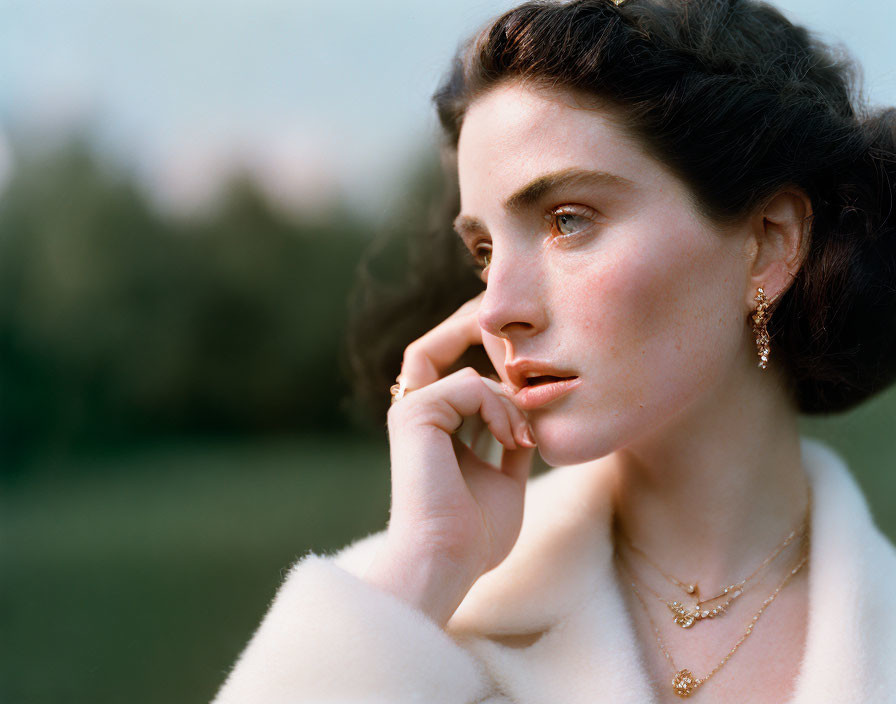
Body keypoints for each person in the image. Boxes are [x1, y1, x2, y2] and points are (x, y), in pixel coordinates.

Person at [212, 0, 896, 701]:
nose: (498, 310)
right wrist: (425, 570)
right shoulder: (403, 621)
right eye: (483, 251)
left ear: (771, 243)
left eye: (566, 220)